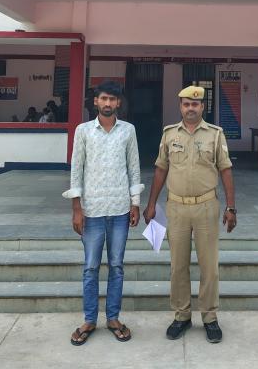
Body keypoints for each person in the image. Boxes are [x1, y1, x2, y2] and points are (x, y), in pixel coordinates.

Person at [143, 86, 236, 344]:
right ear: (180, 107)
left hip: (206, 206)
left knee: (209, 267)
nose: (191, 108)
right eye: (186, 104)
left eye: (195, 104)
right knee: (178, 266)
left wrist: (230, 207)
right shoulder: (169, 134)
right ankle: (182, 315)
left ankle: (209, 317)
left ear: (202, 106)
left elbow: (226, 169)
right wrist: (151, 204)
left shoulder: (215, 134)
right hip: (176, 207)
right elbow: (161, 169)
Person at [63, 81, 144, 346]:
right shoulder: (83, 131)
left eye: (112, 99)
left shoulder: (128, 130)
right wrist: (77, 208)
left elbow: (133, 167)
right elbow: (76, 169)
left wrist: (134, 203)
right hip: (92, 211)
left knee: (117, 266)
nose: (108, 103)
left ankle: (113, 318)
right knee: (90, 267)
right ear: (96, 101)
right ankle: (89, 319)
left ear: (118, 103)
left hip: (120, 210)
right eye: (103, 99)